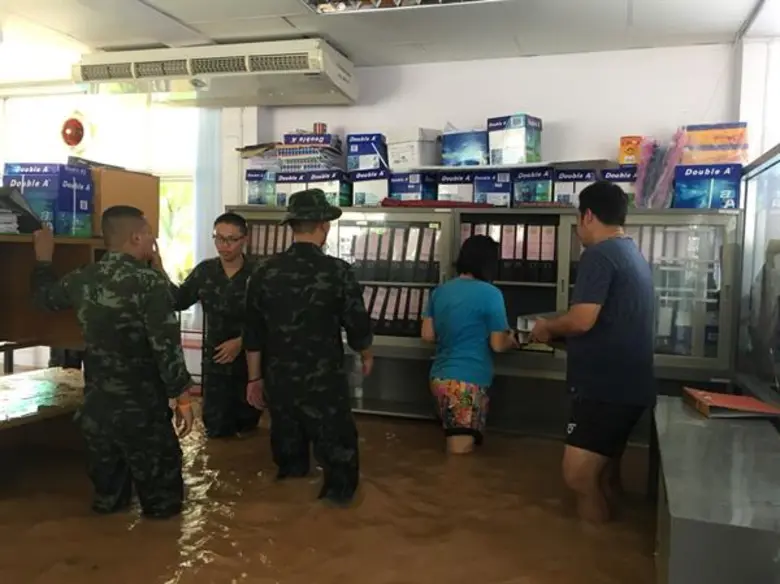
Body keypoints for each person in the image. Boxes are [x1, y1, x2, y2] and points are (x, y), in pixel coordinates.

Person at [30, 205, 195, 519]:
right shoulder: (149, 282)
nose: (153, 240)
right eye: (150, 234)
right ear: (136, 237)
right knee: (163, 509)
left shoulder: (81, 278)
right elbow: (166, 348)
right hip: (143, 413)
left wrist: (43, 259)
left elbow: (43, 299)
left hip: (98, 411)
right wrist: (184, 399)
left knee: (108, 504)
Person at [530, 181, 656, 524]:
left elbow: (583, 319)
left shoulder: (599, 255)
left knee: (579, 476)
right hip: (630, 387)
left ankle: (591, 545)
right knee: (605, 475)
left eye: (577, 219)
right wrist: (561, 338)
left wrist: (547, 327)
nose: (577, 229)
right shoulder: (631, 253)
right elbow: (612, 324)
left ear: (587, 216)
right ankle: (612, 542)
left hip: (605, 390)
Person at [243, 189, 374, 506]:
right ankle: (334, 514)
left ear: (291, 226)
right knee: (338, 454)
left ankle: (290, 514)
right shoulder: (337, 271)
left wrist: (254, 379)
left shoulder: (264, 271)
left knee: (288, 459)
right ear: (324, 225)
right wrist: (366, 354)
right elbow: (356, 322)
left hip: (279, 379)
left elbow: (253, 332)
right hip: (324, 379)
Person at [154, 212, 262, 439]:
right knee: (215, 426)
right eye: (219, 238)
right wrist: (159, 269)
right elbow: (178, 300)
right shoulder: (205, 271)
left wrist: (242, 341)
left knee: (249, 428)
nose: (224, 245)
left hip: (251, 363)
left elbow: (272, 316)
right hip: (216, 363)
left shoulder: (259, 273)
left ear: (244, 239)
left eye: (231, 239)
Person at [421, 235, 518, 455]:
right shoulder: (491, 294)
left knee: (457, 444)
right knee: (460, 457)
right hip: (467, 382)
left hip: (439, 378)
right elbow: (498, 344)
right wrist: (513, 340)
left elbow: (427, 335)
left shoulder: (440, 291)